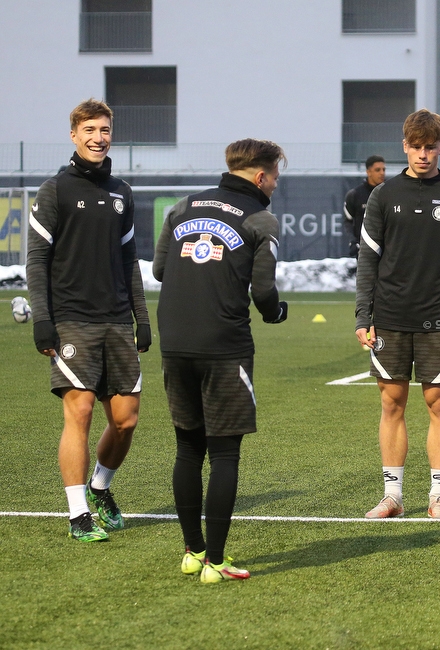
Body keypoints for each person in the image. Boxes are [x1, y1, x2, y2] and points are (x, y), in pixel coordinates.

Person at [153, 139, 288, 583]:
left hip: (173, 342)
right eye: (275, 177)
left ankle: (192, 552)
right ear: (261, 176)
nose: (275, 185)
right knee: (225, 452)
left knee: (188, 448)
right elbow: (264, 291)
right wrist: (275, 313)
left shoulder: (181, 207)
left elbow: (158, 270)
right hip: (223, 345)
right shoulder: (261, 217)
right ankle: (216, 561)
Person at [26, 98, 151, 543]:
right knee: (78, 411)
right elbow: (37, 260)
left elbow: (129, 259)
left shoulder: (122, 192)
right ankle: (79, 513)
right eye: (90, 131)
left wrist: (142, 317)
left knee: (126, 420)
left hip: (117, 320)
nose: (99, 138)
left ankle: (100, 488)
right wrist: (44, 320)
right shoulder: (54, 189)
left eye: (105, 130)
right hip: (72, 319)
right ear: (75, 136)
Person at [355, 109, 440, 520]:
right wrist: (363, 316)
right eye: (417, 147)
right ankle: (392, 496)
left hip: (438, 320)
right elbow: (367, 262)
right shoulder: (383, 195)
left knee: (438, 402)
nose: (423, 154)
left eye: (431, 147)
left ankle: (438, 496)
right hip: (389, 316)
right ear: (404, 146)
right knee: (391, 402)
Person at [344, 155, 386, 257]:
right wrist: (353, 242)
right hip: (364, 252)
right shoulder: (355, 195)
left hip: (387, 251)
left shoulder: (390, 192)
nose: (382, 173)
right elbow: (348, 221)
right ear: (368, 172)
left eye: (383, 169)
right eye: (377, 170)